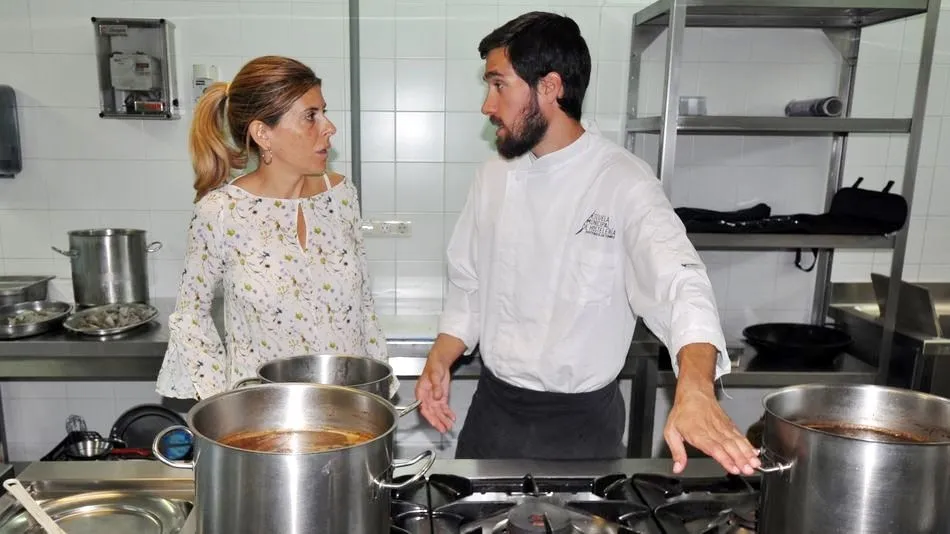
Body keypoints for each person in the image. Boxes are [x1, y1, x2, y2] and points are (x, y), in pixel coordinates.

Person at [414, 12, 760, 475]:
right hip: (493, 412)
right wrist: (441, 356)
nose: (487, 105)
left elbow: (681, 285)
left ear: (550, 87)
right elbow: (469, 284)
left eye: (499, 85)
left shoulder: (622, 181)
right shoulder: (493, 175)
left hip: (582, 427)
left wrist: (695, 388)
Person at [156, 56, 390, 400]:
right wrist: (222, 406)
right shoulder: (221, 212)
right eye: (311, 116)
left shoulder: (341, 196)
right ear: (263, 133)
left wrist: (378, 393)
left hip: (345, 412)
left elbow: (364, 307)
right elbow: (191, 316)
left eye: (323, 112)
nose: (329, 127)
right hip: (263, 421)